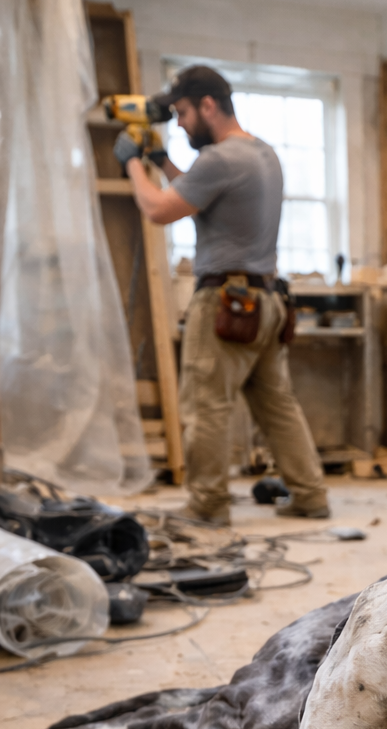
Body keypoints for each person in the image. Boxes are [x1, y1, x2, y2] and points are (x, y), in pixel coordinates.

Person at [114, 65, 329, 524]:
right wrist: (162, 163)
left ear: (207, 105)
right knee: (278, 406)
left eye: (183, 113)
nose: (178, 124)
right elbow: (201, 200)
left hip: (225, 305)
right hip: (267, 303)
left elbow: (157, 210)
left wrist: (132, 161)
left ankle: (207, 506)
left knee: (206, 406)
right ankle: (311, 495)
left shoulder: (220, 159)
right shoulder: (263, 154)